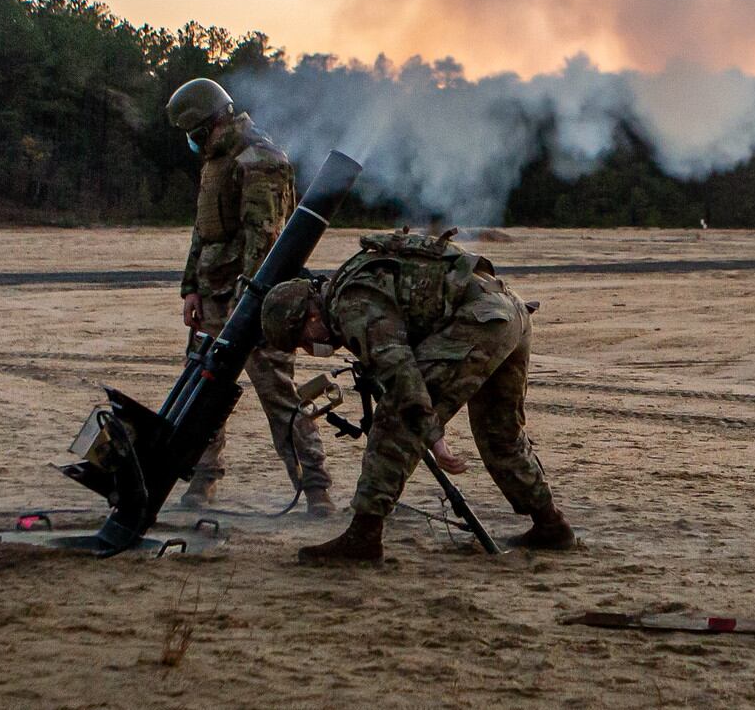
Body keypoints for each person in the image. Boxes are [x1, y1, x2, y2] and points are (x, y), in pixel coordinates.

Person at [259, 229, 576, 562]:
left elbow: (403, 378)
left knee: (394, 421)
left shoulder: (352, 305)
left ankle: (363, 536)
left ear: (309, 315)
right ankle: (550, 524)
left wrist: (434, 438)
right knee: (500, 432)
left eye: (303, 341)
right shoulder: (352, 282)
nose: (310, 349)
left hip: (478, 319)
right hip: (505, 312)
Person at [167, 77, 334, 514]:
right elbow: (203, 232)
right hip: (213, 298)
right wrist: (191, 290)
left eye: (197, 134)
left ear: (215, 123)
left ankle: (316, 490)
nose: (194, 144)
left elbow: (266, 243)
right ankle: (200, 482)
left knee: (279, 395)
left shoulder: (261, 160)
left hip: (257, 304)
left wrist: (252, 305)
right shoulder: (216, 161)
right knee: (201, 395)